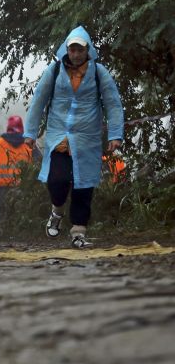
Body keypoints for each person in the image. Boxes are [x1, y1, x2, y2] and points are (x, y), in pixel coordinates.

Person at [23, 26, 124, 249]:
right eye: (72, 50)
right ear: (66, 50)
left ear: (87, 50)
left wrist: (116, 134)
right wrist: (30, 133)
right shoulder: (55, 70)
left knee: (84, 186)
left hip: (87, 139)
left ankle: (78, 232)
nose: (76, 54)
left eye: (80, 50)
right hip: (59, 137)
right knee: (57, 180)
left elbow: (113, 103)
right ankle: (57, 211)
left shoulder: (99, 72)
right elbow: (39, 100)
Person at [0, 115, 41, 223]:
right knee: (22, 216)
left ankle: (4, 236)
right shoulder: (29, 142)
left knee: (4, 217)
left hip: (4, 187)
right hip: (24, 187)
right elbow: (39, 161)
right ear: (21, 127)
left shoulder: (0, 142)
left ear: (8, 127)